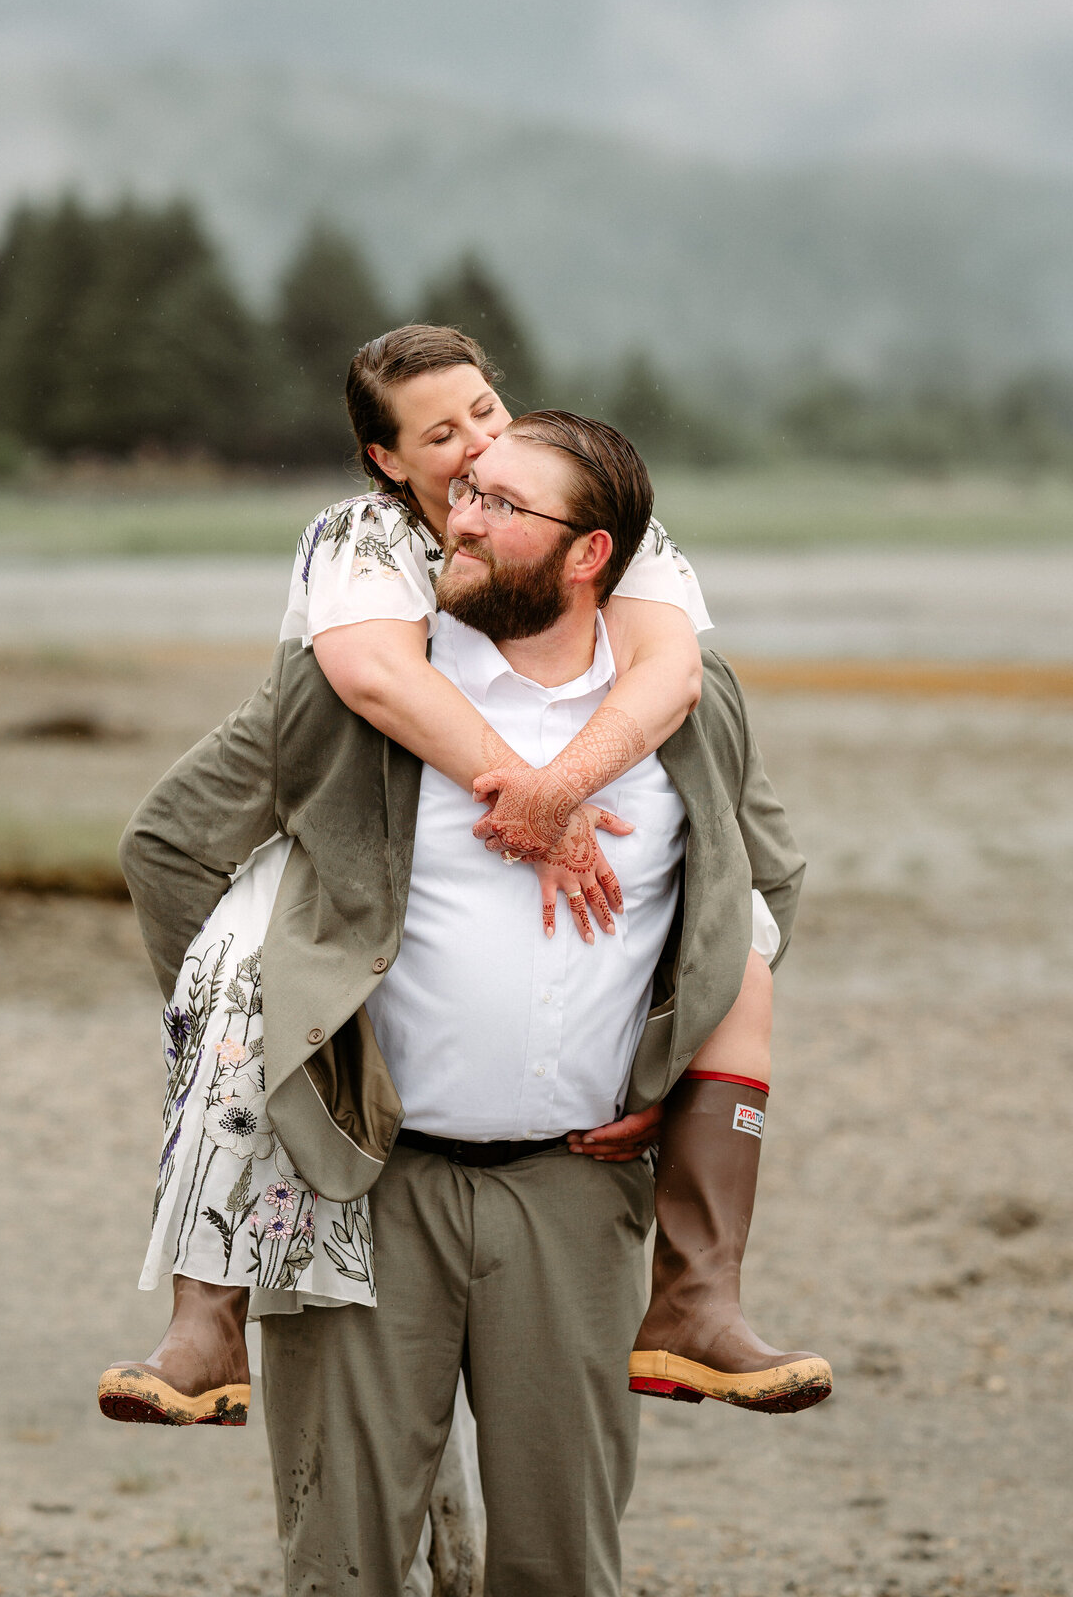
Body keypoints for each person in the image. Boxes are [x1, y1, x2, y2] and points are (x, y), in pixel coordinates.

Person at [108, 409, 828, 1595]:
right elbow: (171, 847)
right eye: (466, 491)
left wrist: (672, 1069)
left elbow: (760, 886)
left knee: (561, 1565)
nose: (463, 518)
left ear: (590, 555)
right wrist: (269, 1048)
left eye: (503, 504)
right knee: (343, 1563)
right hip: (359, 1188)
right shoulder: (356, 688)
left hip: (577, 1192)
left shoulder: (687, 706)